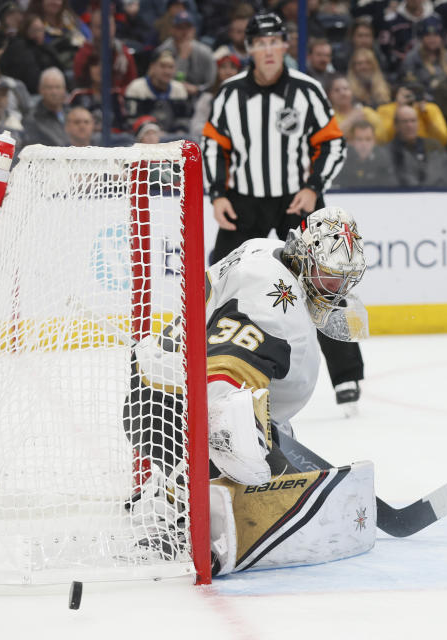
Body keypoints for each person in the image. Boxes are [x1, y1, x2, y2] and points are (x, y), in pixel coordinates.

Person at [126, 206, 374, 574]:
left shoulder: (265, 250)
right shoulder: (273, 304)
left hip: (161, 387)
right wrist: (257, 461)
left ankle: (175, 486)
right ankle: (172, 508)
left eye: (344, 279)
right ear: (304, 258)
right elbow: (221, 385)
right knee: (255, 489)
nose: (338, 289)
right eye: (330, 276)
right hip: (171, 410)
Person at [202, 12, 364, 416]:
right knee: (218, 278)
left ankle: (346, 376)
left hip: (299, 200)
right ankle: (205, 363)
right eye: (260, 42)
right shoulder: (229, 94)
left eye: (275, 41)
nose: (269, 49)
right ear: (250, 48)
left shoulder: (307, 90)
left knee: (327, 278)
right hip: (244, 201)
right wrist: (217, 194)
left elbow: (332, 144)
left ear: (285, 46)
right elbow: (212, 147)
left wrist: (313, 187)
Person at [335, 119, 396, 188]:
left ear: (374, 141)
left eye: (368, 139)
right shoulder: (342, 161)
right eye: (359, 139)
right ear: (351, 141)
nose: (364, 144)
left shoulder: (383, 159)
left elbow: (390, 188)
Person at [22, 67, 69, 146]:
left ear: (64, 90)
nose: (54, 92)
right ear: (40, 90)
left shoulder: (71, 113)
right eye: (49, 88)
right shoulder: (32, 118)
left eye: (58, 87)